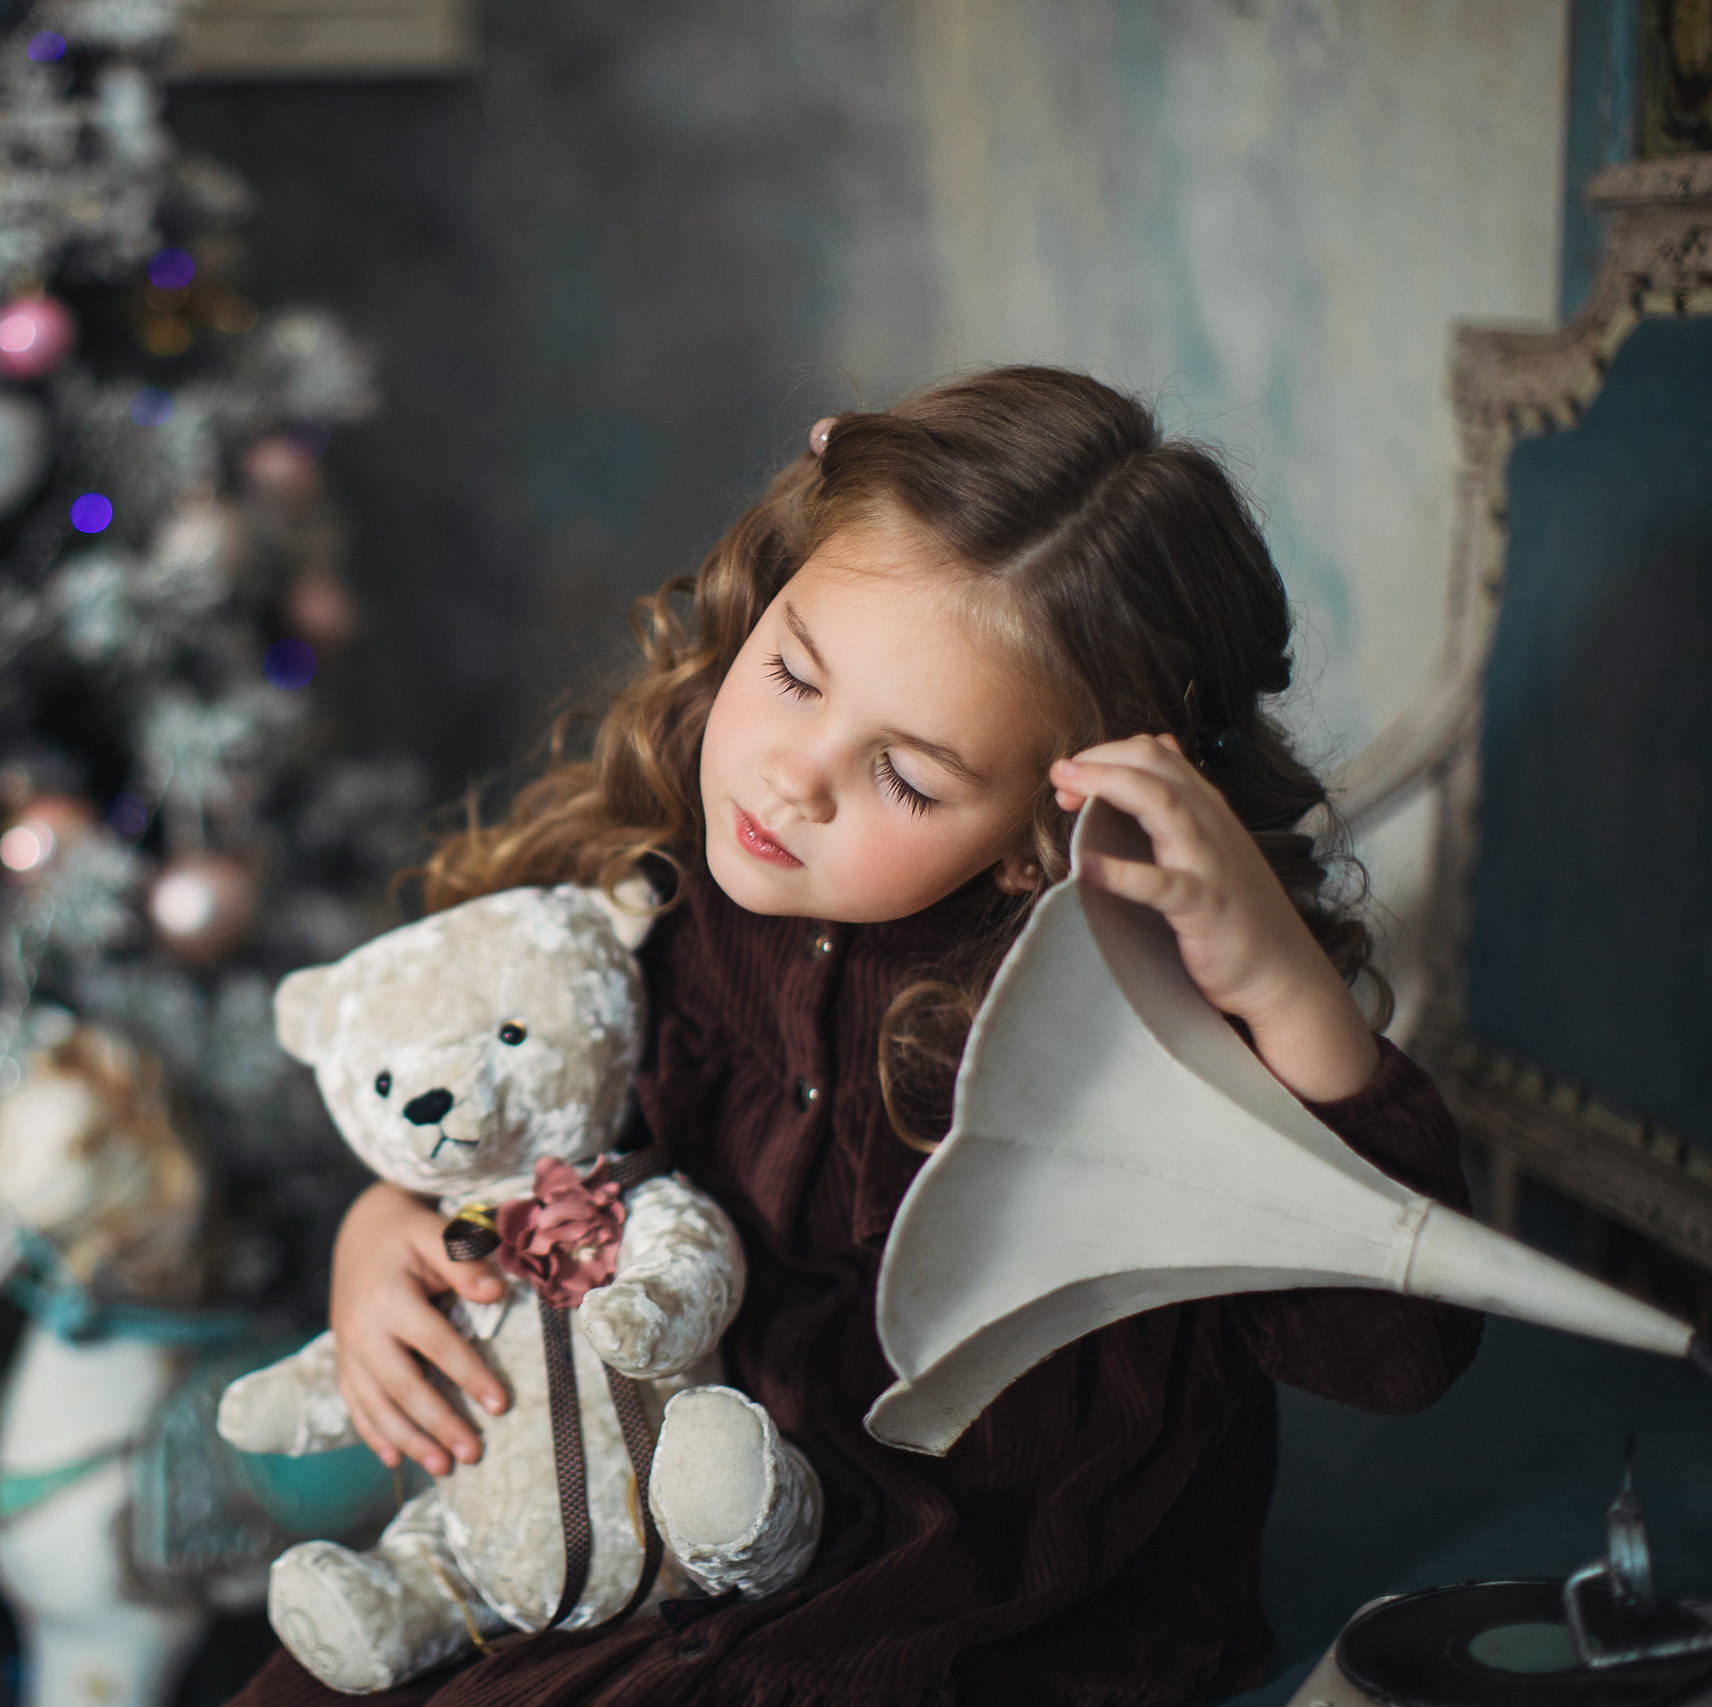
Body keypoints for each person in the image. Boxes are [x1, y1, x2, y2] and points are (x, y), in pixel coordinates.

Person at [228, 367, 1480, 1707]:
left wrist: (1285, 992)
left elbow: (1396, 1357)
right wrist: (390, 1225)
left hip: (978, 1584)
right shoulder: (665, 889)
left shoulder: (1121, 1012)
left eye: (906, 776)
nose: (792, 773)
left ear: (1043, 834)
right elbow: (559, 1128)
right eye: (791, 674)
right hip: (664, 1495)